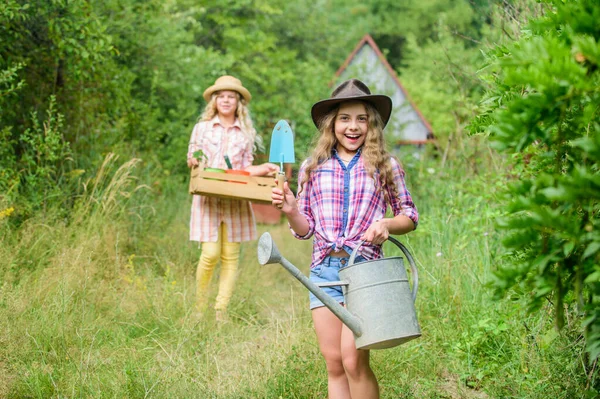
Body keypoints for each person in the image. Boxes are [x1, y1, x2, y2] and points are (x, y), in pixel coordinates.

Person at [271, 79, 418, 398]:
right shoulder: (312, 167)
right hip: (323, 272)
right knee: (335, 363)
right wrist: (291, 209)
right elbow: (304, 229)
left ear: (372, 124)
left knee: (354, 361)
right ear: (332, 124)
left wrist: (387, 224)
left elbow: (409, 215)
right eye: (345, 119)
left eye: (361, 119)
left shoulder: (385, 166)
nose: (353, 127)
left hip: (365, 273)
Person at [187, 75, 279, 321]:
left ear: (238, 102)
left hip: (236, 199)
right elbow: (192, 156)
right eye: (222, 96)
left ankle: (221, 311)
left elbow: (245, 169)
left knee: (230, 256)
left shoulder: (245, 133)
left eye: (231, 97)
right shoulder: (202, 128)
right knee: (210, 254)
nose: (226, 101)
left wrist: (262, 169)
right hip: (208, 198)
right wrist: (194, 159)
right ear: (215, 101)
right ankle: (199, 308)